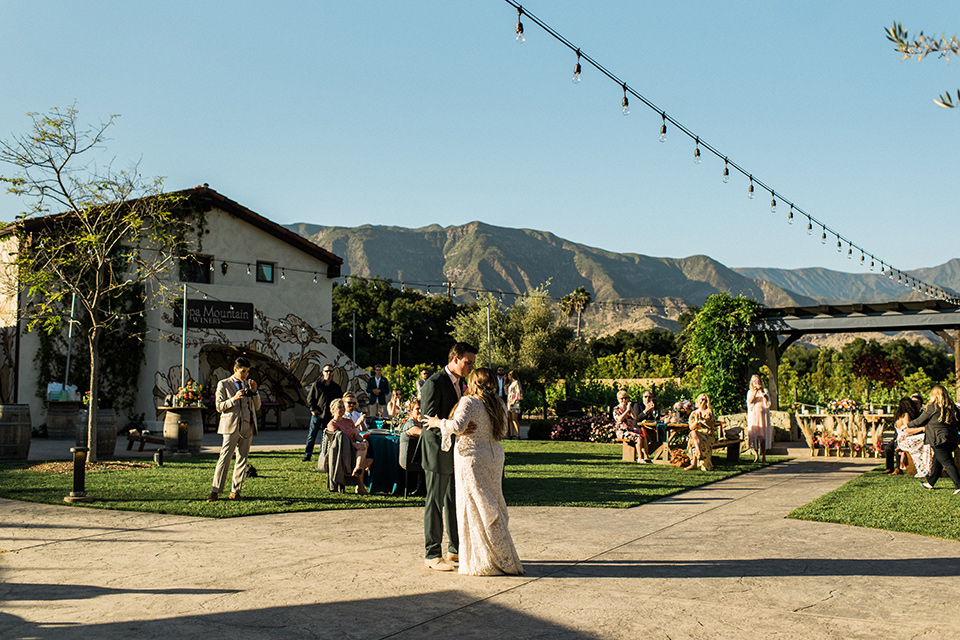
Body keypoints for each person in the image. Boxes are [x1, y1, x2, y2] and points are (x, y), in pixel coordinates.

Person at [426, 367, 524, 576]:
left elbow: (459, 426)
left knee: (474, 506)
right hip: (494, 456)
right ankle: (501, 554)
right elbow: (504, 430)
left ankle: (482, 558)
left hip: (472, 458)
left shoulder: (469, 402)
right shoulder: (498, 403)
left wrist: (437, 422)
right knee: (492, 502)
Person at [420, 342, 477, 571]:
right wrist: (457, 428)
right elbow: (428, 423)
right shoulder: (433, 383)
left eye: (472, 363)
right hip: (436, 451)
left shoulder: (461, 384)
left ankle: (455, 550)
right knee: (434, 502)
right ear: (455, 359)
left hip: (454, 452)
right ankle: (432, 554)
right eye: (467, 362)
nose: (471, 367)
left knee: (454, 501)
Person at [206, 357, 261, 502]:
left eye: (248, 372)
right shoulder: (223, 384)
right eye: (243, 371)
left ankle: (236, 491)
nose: (246, 375)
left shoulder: (249, 384)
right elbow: (219, 407)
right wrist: (234, 399)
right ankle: (215, 490)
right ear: (235, 369)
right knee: (225, 458)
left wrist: (255, 392)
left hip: (247, 425)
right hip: (231, 426)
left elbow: (257, 406)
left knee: (242, 459)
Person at [906, 384, 960, 494]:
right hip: (952, 439)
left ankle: (958, 486)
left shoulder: (932, 407)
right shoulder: (953, 407)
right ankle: (930, 482)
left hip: (938, 440)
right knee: (937, 461)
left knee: (947, 462)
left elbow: (919, 421)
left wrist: (908, 425)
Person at [327, 398, 372, 495]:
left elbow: (356, 435)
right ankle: (360, 485)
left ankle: (358, 467)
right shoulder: (332, 424)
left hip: (355, 449)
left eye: (343, 407)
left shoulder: (348, 421)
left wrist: (362, 440)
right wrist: (354, 444)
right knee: (364, 457)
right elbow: (338, 441)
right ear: (333, 410)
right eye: (340, 407)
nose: (342, 409)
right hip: (342, 452)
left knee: (363, 445)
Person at [302, 365, 342, 462]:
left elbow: (340, 400)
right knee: (312, 435)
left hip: (329, 416)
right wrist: (313, 409)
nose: (329, 373)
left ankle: (323, 454)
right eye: (327, 371)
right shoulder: (317, 385)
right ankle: (308, 455)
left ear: (333, 373)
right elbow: (309, 398)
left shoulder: (336, 387)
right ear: (323, 372)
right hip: (318, 414)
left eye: (330, 371)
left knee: (326, 437)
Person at [882, 397, 929, 477]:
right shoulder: (906, 414)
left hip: (901, 440)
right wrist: (923, 429)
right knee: (927, 440)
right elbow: (908, 430)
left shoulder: (899, 414)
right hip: (905, 440)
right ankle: (925, 468)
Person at [613, 390, 650, 464]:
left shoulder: (629, 407)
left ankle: (646, 457)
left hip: (630, 429)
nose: (624, 400)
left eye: (625, 398)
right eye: (622, 398)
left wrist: (630, 410)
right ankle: (640, 458)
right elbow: (620, 419)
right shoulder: (616, 409)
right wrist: (627, 410)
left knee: (644, 437)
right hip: (622, 431)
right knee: (638, 438)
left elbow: (635, 418)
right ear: (618, 399)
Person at [399, 398, 426, 496]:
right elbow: (422, 434)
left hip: (417, 458)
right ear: (411, 411)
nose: (420, 411)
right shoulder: (410, 424)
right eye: (417, 409)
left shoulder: (420, 423)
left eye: (421, 409)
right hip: (410, 460)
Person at [686, 393, 717, 471]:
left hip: (707, 434)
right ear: (698, 401)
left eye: (705, 400)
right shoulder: (694, 413)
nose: (703, 401)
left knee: (693, 439)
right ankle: (699, 453)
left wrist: (704, 420)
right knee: (693, 433)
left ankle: (694, 463)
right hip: (697, 434)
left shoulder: (709, 411)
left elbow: (712, 425)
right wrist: (696, 421)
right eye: (702, 399)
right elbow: (691, 427)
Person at [746, 375, 772, 463]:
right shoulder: (750, 392)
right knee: (754, 436)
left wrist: (761, 391)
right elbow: (750, 401)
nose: (756, 383)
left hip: (763, 417)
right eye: (754, 381)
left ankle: (764, 455)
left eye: (757, 381)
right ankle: (756, 455)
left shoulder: (765, 391)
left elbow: (767, 401)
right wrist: (755, 391)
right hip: (754, 416)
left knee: (763, 437)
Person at [506, 370, 522, 440]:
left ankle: (518, 435)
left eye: (509, 375)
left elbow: (518, 393)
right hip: (509, 402)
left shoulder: (516, 383)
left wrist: (514, 401)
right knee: (510, 419)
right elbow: (506, 391)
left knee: (514, 419)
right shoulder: (511, 384)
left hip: (514, 403)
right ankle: (512, 435)